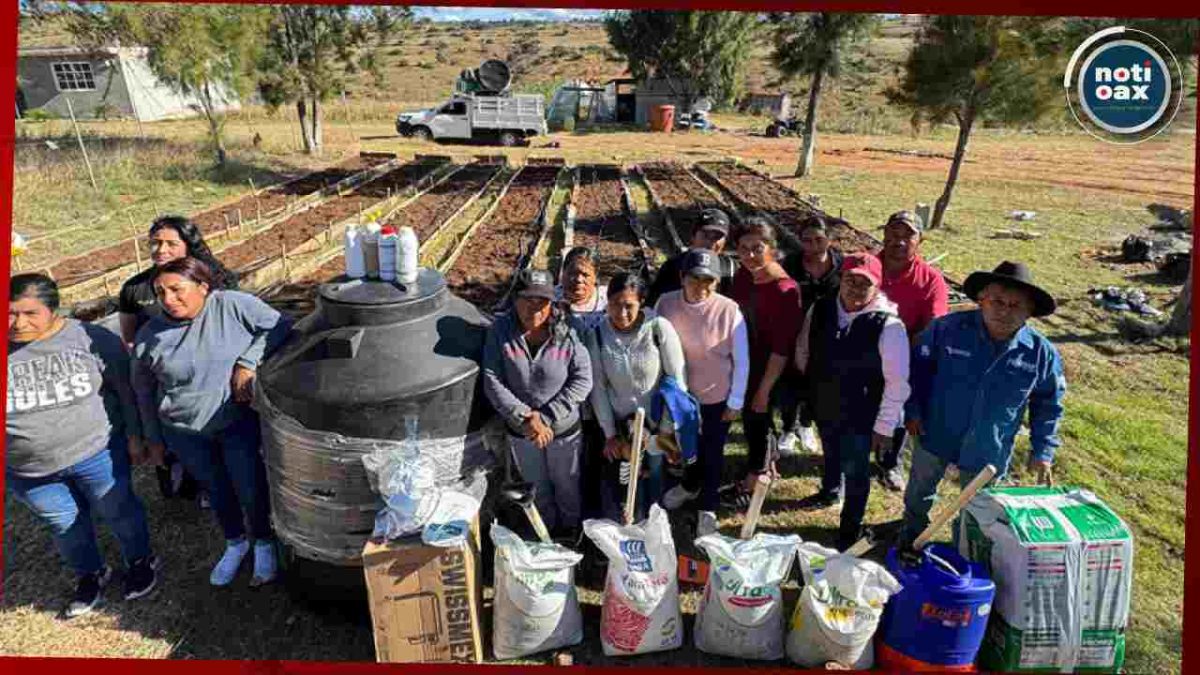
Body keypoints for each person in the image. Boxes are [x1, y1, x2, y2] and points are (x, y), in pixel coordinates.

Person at [6, 274, 159, 618]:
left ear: (54, 310)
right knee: (64, 524)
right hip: (27, 469)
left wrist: (135, 436)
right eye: (10, 313)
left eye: (30, 313)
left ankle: (140, 559)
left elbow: (125, 390)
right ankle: (91, 573)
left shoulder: (91, 338)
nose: (18, 323)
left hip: (96, 452)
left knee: (117, 510)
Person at [131, 257, 290, 587]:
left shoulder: (231, 306)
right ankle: (235, 542)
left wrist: (247, 363)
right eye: (160, 293)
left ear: (203, 286)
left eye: (177, 289)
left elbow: (279, 324)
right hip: (183, 431)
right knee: (216, 490)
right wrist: (153, 439)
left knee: (250, 486)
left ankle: (262, 541)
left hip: (234, 422)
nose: (169, 300)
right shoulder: (150, 335)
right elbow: (143, 391)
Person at [898, 261, 1066, 551]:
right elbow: (917, 371)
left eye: (1016, 305)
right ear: (981, 299)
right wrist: (912, 411)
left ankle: (963, 549)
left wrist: (1043, 450)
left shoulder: (1041, 354)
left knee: (977, 507)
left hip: (990, 445)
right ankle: (911, 535)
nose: (1004, 311)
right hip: (936, 430)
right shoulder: (947, 329)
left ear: (1029, 312)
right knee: (919, 491)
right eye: (997, 301)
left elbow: (1048, 404)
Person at [118, 215, 238, 505]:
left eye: (171, 243)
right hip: (165, 378)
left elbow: (233, 324)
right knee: (174, 438)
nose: (161, 250)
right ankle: (186, 484)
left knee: (221, 436)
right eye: (155, 243)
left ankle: (226, 483)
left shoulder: (215, 280)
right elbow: (131, 338)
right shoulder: (135, 289)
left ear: (188, 245)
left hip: (213, 375)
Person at [793, 254, 910, 550]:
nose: (855, 288)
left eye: (864, 283)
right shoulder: (821, 309)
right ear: (841, 280)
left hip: (863, 412)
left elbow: (897, 383)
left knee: (856, 468)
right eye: (850, 280)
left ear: (877, 287)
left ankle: (850, 525)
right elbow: (804, 347)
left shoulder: (889, 326)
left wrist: (884, 427)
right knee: (831, 449)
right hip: (825, 401)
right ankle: (830, 491)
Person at [483, 269, 594, 540]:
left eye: (542, 300)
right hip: (523, 431)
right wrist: (525, 417)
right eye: (527, 299)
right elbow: (492, 378)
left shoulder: (567, 330)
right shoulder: (501, 330)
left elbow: (583, 379)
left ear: (551, 303)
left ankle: (571, 534)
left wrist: (545, 416)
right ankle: (545, 535)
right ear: (515, 299)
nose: (535, 307)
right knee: (537, 487)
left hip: (563, 429)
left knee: (567, 484)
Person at [585, 273, 689, 521]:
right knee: (622, 478)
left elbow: (677, 382)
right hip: (620, 424)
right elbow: (598, 387)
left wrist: (664, 431)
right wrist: (609, 433)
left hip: (656, 423)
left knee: (653, 473)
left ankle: (652, 522)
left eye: (629, 306)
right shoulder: (598, 336)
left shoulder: (658, 328)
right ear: (606, 303)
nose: (621, 313)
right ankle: (627, 523)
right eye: (614, 305)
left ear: (641, 302)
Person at [656, 249, 749, 520]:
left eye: (708, 280)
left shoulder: (729, 311)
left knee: (711, 451)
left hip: (715, 397)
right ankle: (689, 485)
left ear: (717, 282)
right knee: (685, 447)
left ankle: (708, 504)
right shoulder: (666, 303)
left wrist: (735, 401)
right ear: (682, 277)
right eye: (694, 278)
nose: (701, 286)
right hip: (678, 397)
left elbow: (742, 360)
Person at [728, 218, 804, 496]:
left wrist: (764, 388)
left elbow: (782, 347)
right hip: (743, 359)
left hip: (770, 366)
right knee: (755, 419)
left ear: (772, 248)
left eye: (757, 248)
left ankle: (756, 475)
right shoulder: (743, 276)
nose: (749, 255)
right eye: (743, 248)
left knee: (756, 414)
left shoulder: (785, 290)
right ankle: (768, 466)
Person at [875, 210, 949, 492]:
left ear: (921, 240)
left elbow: (933, 326)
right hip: (864, 350)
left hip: (907, 352)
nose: (899, 240)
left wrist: (896, 347)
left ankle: (890, 462)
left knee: (901, 406)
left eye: (908, 234)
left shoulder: (930, 279)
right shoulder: (869, 266)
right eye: (893, 232)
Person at [778, 214, 843, 456]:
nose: (813, 247)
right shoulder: (790, 265)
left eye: (819, 240)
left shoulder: (841, 266)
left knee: (817, 384)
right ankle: (788, 428)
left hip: (826, 334)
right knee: (791, 383)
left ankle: (806, 424)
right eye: (807, 241)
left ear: (830, 240)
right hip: (794, 332)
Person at [555, 246, 607, 520]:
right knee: (571, 454)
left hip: (602, 391)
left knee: (598, 449)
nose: (578, 280)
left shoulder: (609, 301)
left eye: (586, 274)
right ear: (562, 273)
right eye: (572, 272)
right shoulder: (548, 301)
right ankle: (572, 509)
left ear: (596, 277)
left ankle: (596, 503)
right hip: (563, 394)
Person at [646, 208, 737, 306]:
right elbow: (654, 304)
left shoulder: (730, 269)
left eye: (717, 237)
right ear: (693, 236)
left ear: (725, 241)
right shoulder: (672, 266)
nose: (710, 242)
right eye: (705, 235)